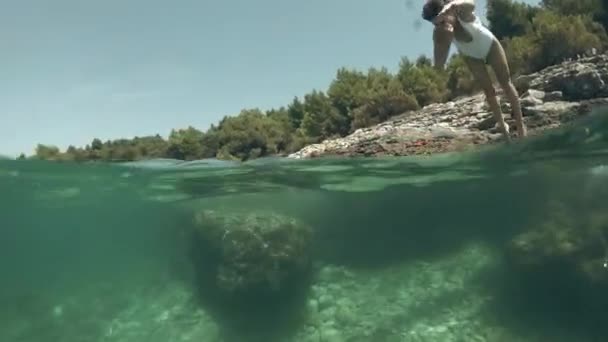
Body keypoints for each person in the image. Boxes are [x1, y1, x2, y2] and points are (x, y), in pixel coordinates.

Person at [421, 0, 527, 140]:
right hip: (471, 55)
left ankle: (521, 127)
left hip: (489, 45)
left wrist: (451, 7)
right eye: (436, 24)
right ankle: (504, 130)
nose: (441, 25)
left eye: (442, 21)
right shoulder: (440, 32)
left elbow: (472, 4)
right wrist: (442, 40)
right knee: (489, 91)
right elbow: (439, 65)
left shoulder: (460, 11)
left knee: (506, 83)